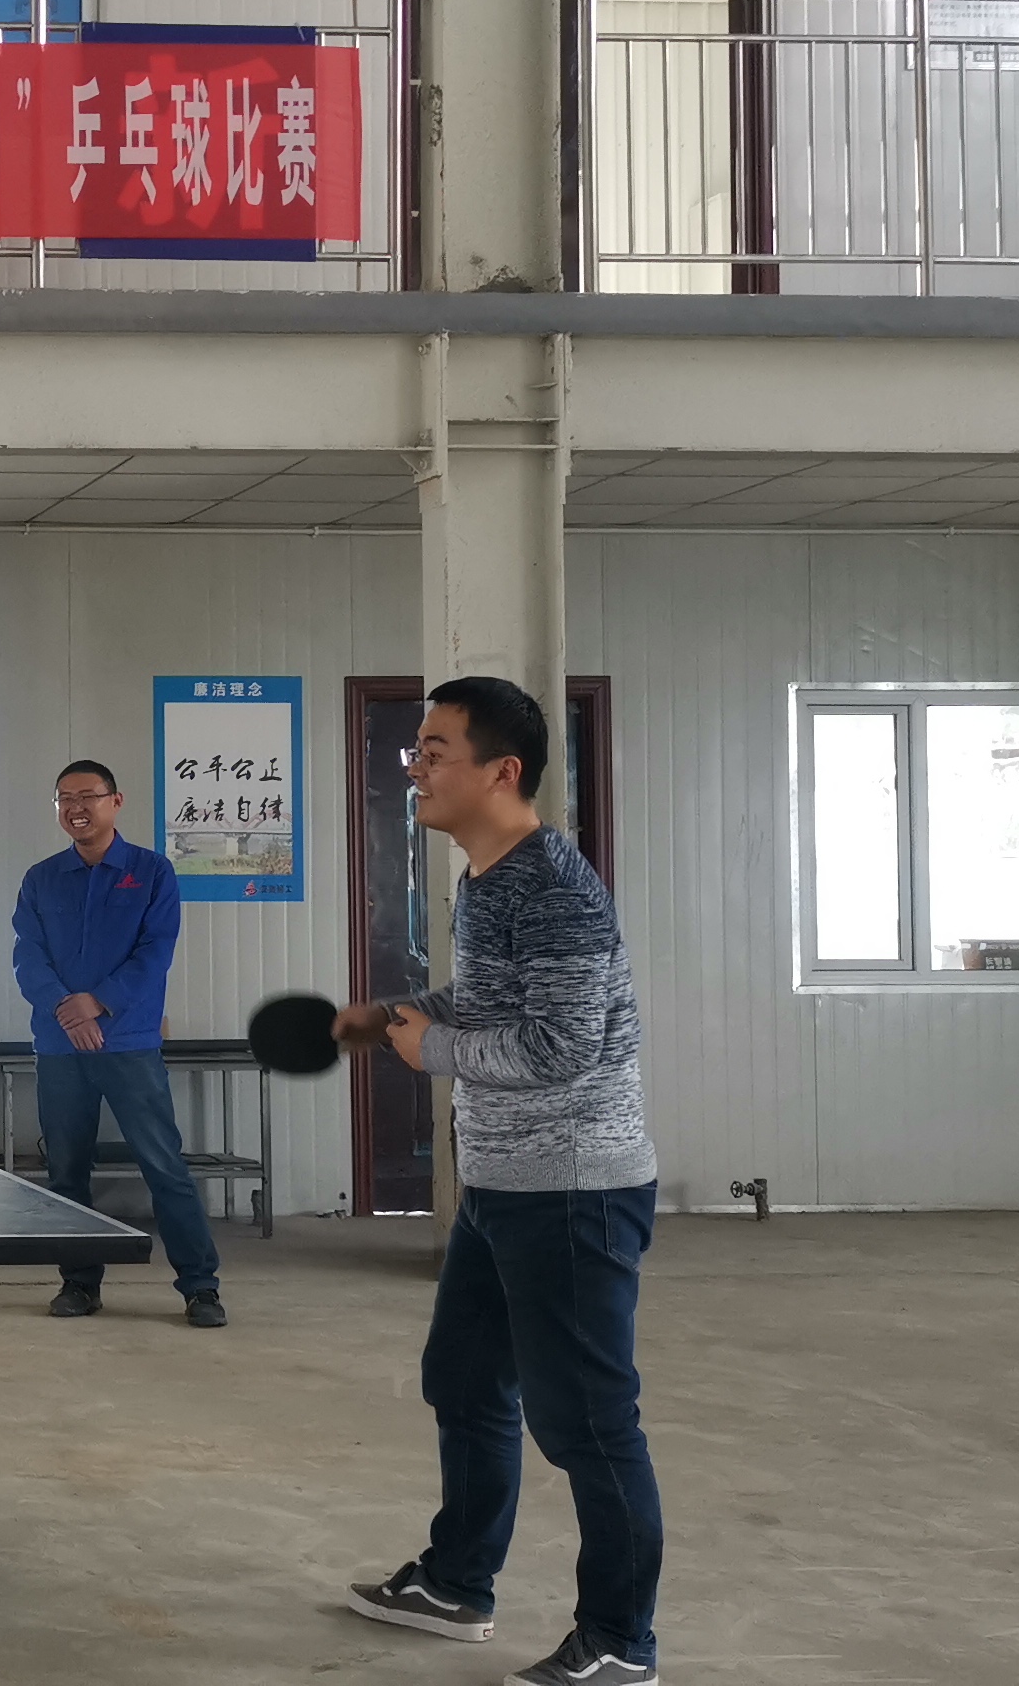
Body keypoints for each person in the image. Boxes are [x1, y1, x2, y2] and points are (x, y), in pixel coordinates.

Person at [339, 676, 663, 1686]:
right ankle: (456, 1583)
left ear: (501, 771)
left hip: (571, 1188)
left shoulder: (553, 887)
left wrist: (431, 1051)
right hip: (501, 1181)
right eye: (416, 751)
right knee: (467, 1380)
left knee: (587, 1423)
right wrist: (397, 1015)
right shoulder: (487, 879)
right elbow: (489, 1001)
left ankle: (621, 1643)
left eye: (435, 752)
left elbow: (563, 1045)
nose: (416, 769)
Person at [9, 759, 224, 1328]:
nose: (75, 808)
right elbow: (28, 956)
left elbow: (155, 952)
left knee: (164, 1167)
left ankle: (200, 1287)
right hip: (61, 1046)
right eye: (64, 798)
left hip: (128, 1043)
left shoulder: (151, 872)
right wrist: (67, 1008)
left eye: (87, 796)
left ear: (115, 801)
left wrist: (98, 1002)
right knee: (66, 1173)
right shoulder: (41, 878)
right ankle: (79, 1283)